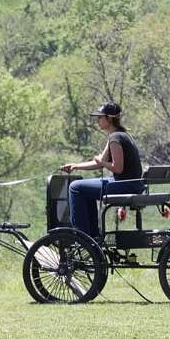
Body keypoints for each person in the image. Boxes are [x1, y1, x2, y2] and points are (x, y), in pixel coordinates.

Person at [60, 102, 144, 238]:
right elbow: (98, 163)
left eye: (100, 117)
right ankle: (93, 236)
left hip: (126, 185)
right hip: (129, 184)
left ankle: (82, 236)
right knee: (83, 188)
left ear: (109, 119)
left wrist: (103, 162)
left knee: (75, 187)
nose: (97, 120)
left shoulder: (115, 138)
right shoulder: (119, 135)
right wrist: (75, 165)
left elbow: (117, 167)